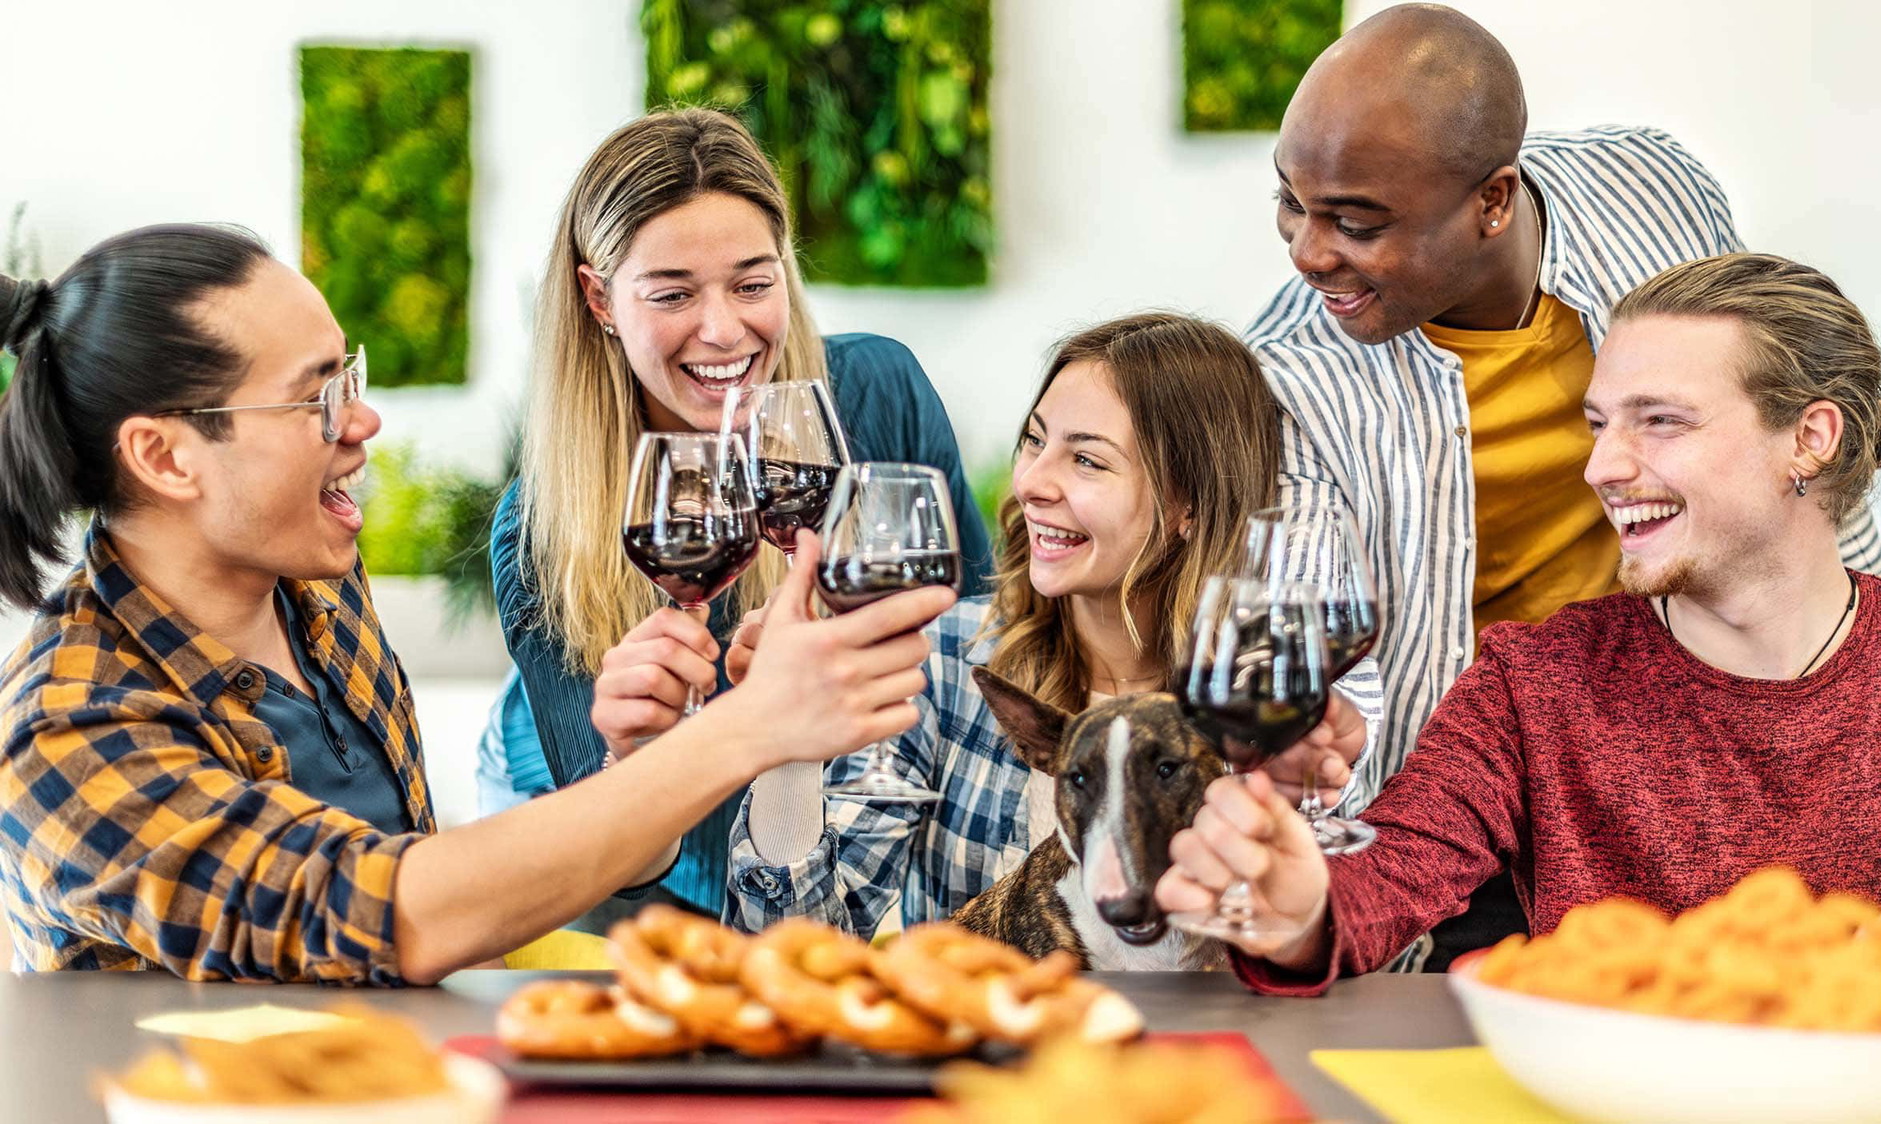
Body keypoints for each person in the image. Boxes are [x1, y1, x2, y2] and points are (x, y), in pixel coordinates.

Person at [0, 225, 952, 982]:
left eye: (349, 376)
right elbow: (385, 911)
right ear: (164, 457)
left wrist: (643, 761)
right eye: (317, 399)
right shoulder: (65, 728)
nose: (364, 421)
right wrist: (748, 728)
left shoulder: (311, 590)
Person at [1156, 252, 1881, 994]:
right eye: (1598, 424)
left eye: (1660, 420)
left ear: (1809, 438)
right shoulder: (1536, 679)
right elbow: (1387, 879)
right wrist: (1298, 912)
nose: (1601, 467)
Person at [1246, 3, 1881, 966]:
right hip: (1477, 782)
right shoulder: (1286, 377)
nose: (1307, 251)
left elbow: (1781, 380)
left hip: (1704, 735)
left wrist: (1869, 642)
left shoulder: (1653, 195)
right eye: (1291, 202)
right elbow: (1303, 633)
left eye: (1357, 222)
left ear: (1493, 202)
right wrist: (1296, 749)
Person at [483, 108, 991, 923]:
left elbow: (987, 648)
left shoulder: (876, 393)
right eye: (672, 294)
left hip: (823, 847)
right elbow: (621, 859)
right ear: (599, 298)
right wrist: (639, 757)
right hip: (616, 852)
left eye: (753, 285)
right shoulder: (541, 529)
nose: (723, 331)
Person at [723, 312, 1381, 937]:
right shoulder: (944, 659)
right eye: (1035, 441)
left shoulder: (1266, 704)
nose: (1032, 482)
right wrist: (790, 750)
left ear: (1190, 504)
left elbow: (1330, 937)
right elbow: (794, 949)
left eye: (1087, 460)